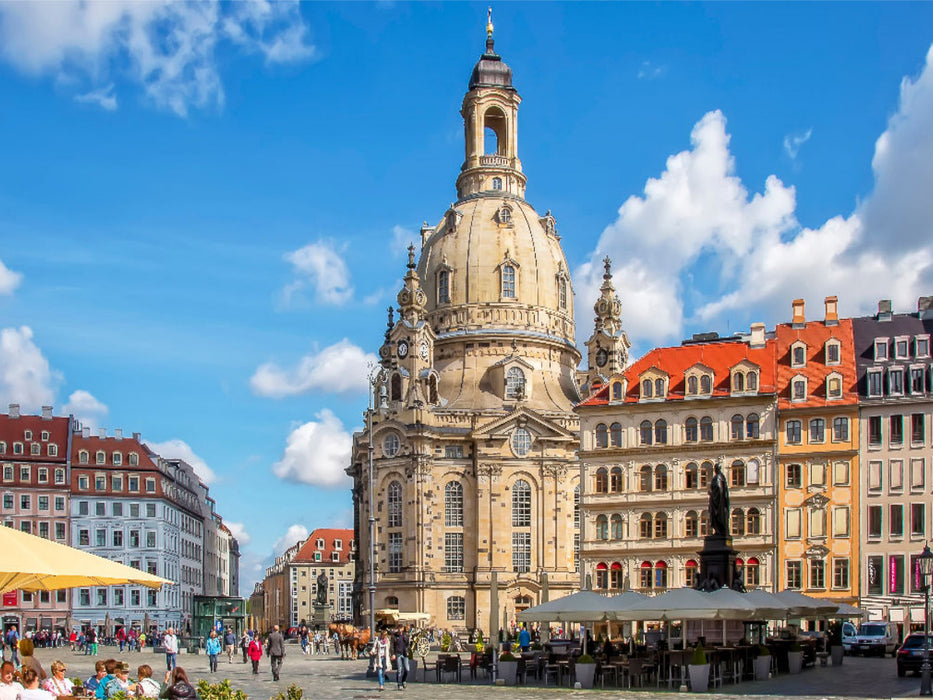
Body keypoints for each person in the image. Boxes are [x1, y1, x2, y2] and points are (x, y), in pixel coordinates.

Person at [708, 461, 730, 536]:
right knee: (720, 517)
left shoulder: (717, 477)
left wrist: (712, 493)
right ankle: (719, 531)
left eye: (715, 468)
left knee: (717, 516)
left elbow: (718, 488)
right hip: (721, 502)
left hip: (718, 503)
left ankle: (719, 531)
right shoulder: (722, 477)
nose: (715, 470)